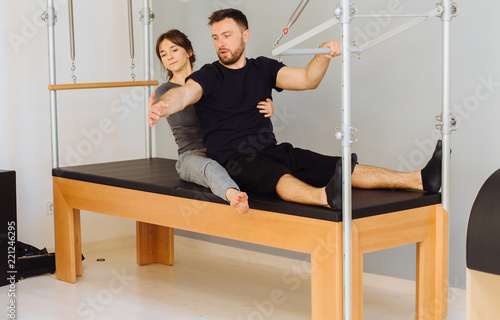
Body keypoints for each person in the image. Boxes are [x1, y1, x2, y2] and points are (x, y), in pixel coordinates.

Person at [148, 9, 442, 210]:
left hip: (271, 148)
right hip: (234, 159)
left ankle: (418, 179)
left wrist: (325, 55)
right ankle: (325, 198)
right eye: (215, 37)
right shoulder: (210, 74)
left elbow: (307, 79)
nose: (220, 43)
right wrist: (164, 105)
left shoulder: (263, 68)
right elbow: (185, 94)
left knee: (339, 165)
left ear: (245, 35)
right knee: (278, 176)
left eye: (227, 35)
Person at [153, 29, 274, 214]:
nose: (169, 56)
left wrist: (266, 107)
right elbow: (176, 108)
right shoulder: (166, 92)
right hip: (192, 155)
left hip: (221, 149)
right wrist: (158, 107)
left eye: (174, 49)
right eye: (163, 54)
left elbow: (237, 107)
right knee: (211, 168)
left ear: (189, 51)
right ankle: (233, 194)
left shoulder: (210, 79)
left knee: (259, 159)